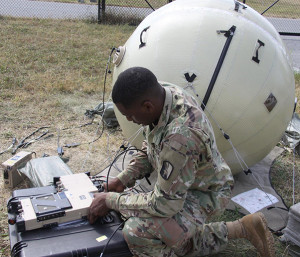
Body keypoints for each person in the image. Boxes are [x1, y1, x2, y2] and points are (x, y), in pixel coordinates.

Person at [88, 67, 275, 257]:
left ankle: (232, 231)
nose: (129, 119)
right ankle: (240, 228)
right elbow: (151, 147)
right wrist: (121, 180)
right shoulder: (162, 95)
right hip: (183, 183)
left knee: (137, 231)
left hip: (206, 192)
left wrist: (111, 201)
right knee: (134, 211)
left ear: (147, 106)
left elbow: (165, 204)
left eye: (130, 115)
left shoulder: (180, 137)